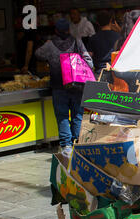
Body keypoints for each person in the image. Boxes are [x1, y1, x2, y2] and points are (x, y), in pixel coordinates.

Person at [35, 19, 94, 157]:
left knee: (62, 116)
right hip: (76, 85)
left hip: (58, 86)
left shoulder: (50, 45)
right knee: (77, 114)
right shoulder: (76, 41)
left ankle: (66, 146)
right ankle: (77, 142)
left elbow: (38, 54)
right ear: (69, 29)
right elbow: (89, 62)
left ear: (55, 30)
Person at [87, 10, 121, 77]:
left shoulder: (93, 38)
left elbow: (89, 56)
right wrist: (120, 30)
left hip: (99, 73)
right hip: (115, 73)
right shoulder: (118, 36)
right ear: (111, 21)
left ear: (97, 22)